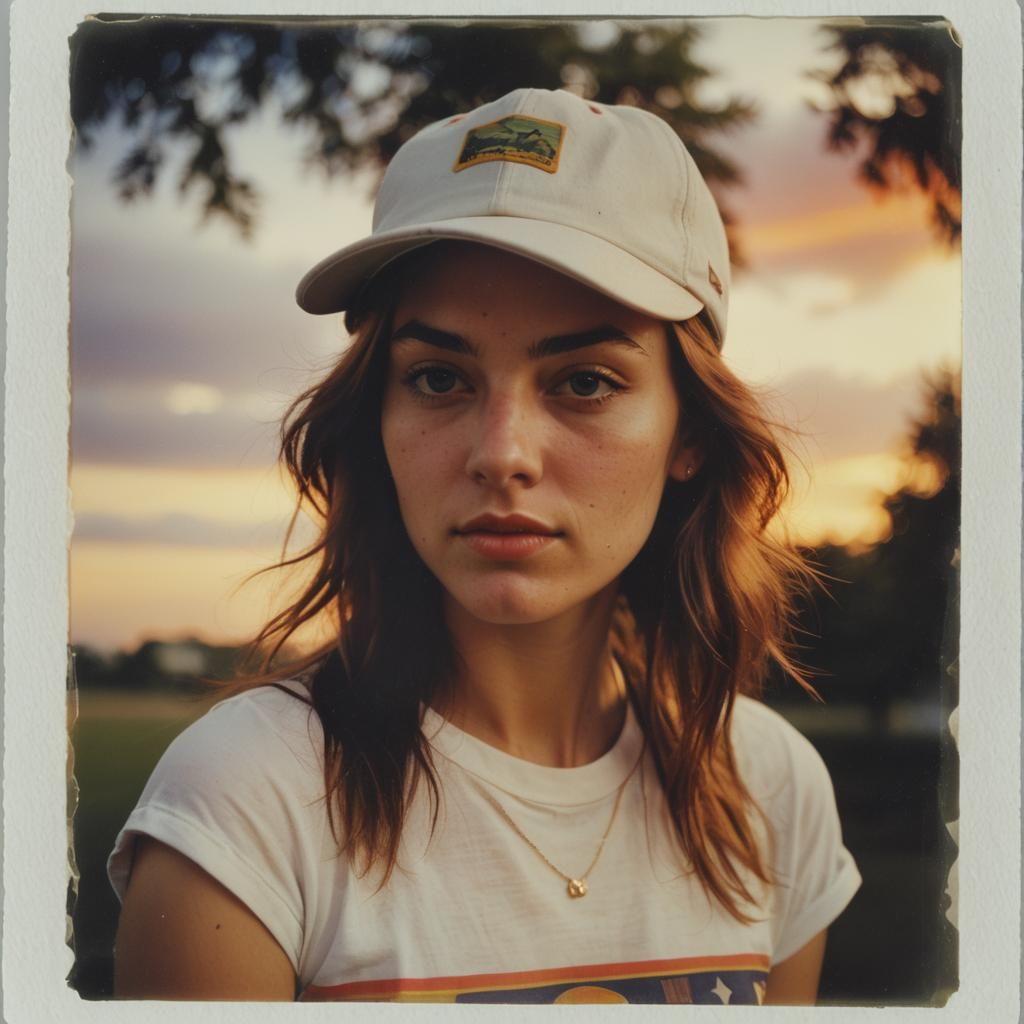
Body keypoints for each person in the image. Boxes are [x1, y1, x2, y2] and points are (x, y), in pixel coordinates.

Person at [108, 87, 861, 1005]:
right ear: (376, 419)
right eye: (437, 378)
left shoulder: (771, 791)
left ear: (689, 434)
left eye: (585, 380)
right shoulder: (246, 803)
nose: (501, 453)